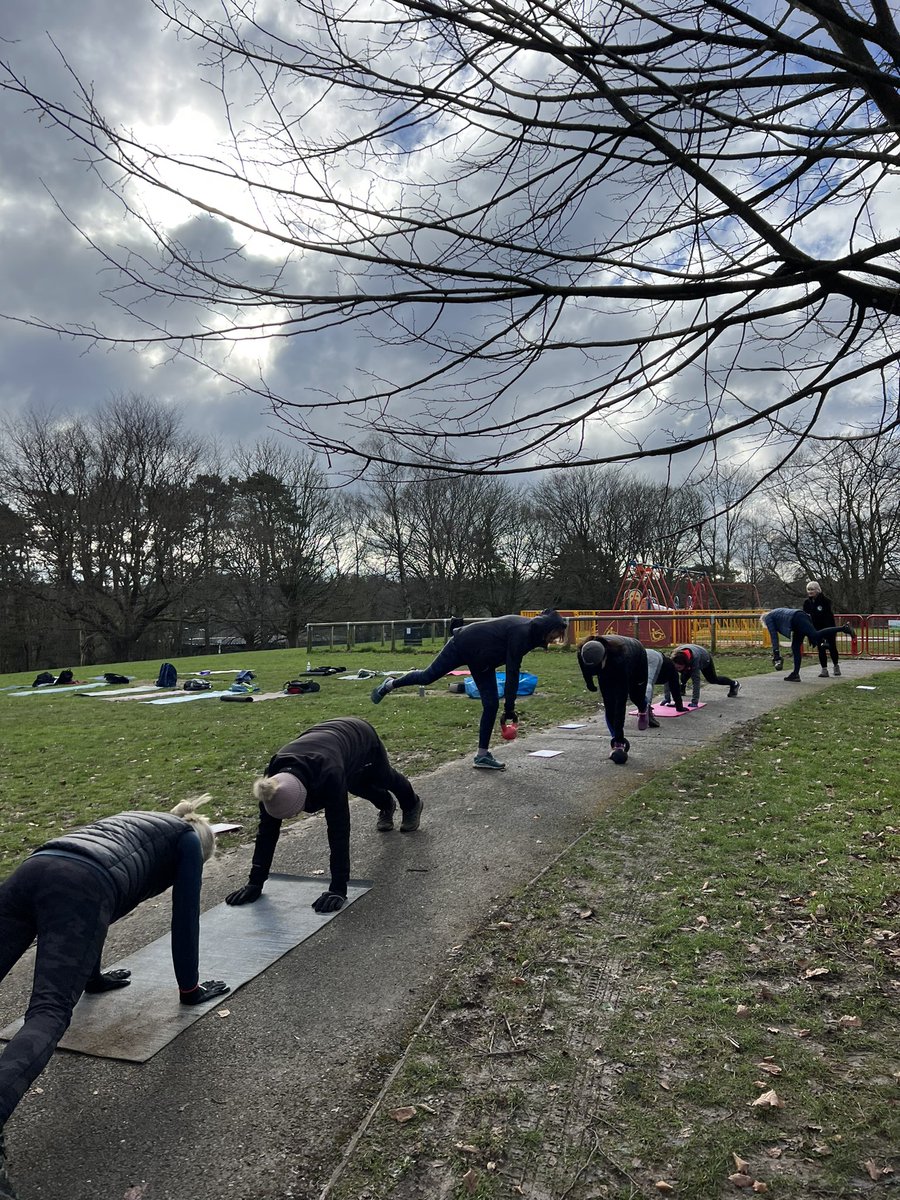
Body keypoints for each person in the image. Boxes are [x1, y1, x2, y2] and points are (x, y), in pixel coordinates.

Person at [0, 799, 227, 1200]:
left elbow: (94, 918)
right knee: (49, 1011)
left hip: (35, 868)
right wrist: (190, 991)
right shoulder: (188, 842)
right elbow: (185, 917)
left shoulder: (139, 822)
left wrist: (93, 977)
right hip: (81, 883)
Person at [225, 717, 423, 916]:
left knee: (380, 776)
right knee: (354, 782)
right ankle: (386, 804)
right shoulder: (272, 782)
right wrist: (255, 882)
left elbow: (339, 830)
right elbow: (266, 831)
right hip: (328, 742)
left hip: (360, 735)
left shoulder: (329, 773)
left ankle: (412, 803)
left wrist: (338, 888)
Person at [370, 609, 569, 771]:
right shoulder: (522, 632)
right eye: (555, 635)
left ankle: (482, 756)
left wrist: (507, 707)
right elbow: (512, 672)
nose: (555, 639)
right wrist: (509, 709)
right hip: (461, 644)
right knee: (427, 677)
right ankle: (389, 684)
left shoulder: (533, 634)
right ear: (548, 628)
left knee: (490, 704)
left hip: (482, 660)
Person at [576, 634, 649, 765]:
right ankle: (616, 742)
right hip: (608, 664)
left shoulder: (621, 659)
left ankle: (643, 708)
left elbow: (620, 705)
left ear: (604, 658)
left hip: (637, 656)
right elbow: (585, 670)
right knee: (609, 701)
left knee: (635, 694)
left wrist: (620, 734)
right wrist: (589, 683)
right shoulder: (583, 652)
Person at [761, 608, 854, 681]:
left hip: (796, 618)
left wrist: (776, 653)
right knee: (795, 647)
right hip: (797, 619)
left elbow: (774, 636)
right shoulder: (774, 613)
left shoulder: (768, 618)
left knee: (815, 634)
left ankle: (844, 628)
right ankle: (795, 674)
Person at [666, 644, 740, 706]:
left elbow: (696, 681)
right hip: (689, 654)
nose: (677, 669)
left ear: (686, 664)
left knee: (712, 679)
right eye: (675, 666)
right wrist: (667, 699)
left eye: (679, 667)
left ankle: (734, 684)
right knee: (681, 674)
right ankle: (682, 688)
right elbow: (668, 678)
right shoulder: (673, 657)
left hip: (704, 657)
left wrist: (694, 701)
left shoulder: (695, 659)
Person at [803, 581, 842, 677]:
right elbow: (806, 616)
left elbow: (827, 617)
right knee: (821, 649)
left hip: (828, 628)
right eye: (809, 590)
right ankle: (824, 669)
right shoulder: (807, 603)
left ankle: (836, 666)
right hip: (816, 629)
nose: (810, 592)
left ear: (817, 590)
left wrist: (827, 631)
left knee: (832, 647)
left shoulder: (825, 601)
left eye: (812, 589)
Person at [645, 648, 687, 723]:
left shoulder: (669, 665)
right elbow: (675, 689)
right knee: (648, 683)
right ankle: (646, 710)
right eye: (679, 667)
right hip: (652, 656)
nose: (678, 669)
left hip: (642, 653)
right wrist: (679, 707)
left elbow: (673, 688)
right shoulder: (672, 669)